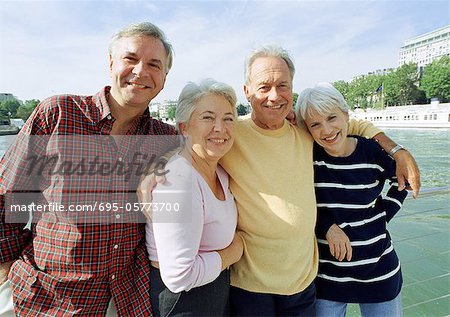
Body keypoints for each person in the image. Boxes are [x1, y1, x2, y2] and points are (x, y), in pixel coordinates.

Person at [216, 45, 420, 316]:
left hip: (305, 282)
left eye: (283, 86)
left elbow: (346, 125)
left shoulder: (304, 133)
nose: (274, 96)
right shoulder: (232, 134)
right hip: (255, 283)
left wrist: (397, 151)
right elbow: (192, 141)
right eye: (264, 87)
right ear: (247, 92)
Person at [0, 22, 178, 316]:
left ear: (164, 77)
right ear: (111, 63)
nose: (141, 71)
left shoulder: (166, 139)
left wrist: (281, 118)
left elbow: (216, 140)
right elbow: (8, 194)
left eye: (154, 64)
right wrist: (5, 260)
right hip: (47, 298)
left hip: (124, 299)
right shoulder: (58, 114)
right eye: (131, 59)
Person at [296, 83, 408, 317]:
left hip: (381, 274)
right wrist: (326, 226)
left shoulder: (372, 151)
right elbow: (298, 202)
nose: (326, 130)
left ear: (346, 116)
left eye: (332, 118)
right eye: (315, 124)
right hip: (328, 280)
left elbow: (402, 181)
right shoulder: (308, 159)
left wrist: (382, 215)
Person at [144, 79, 244, 316]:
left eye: (228, 118)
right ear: (184, 127)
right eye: (208, 117)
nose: (220, 127)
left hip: (214, 293)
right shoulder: (178, 181)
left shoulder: (219, 171)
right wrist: (234, 252)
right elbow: (178, 277)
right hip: (184, 302)